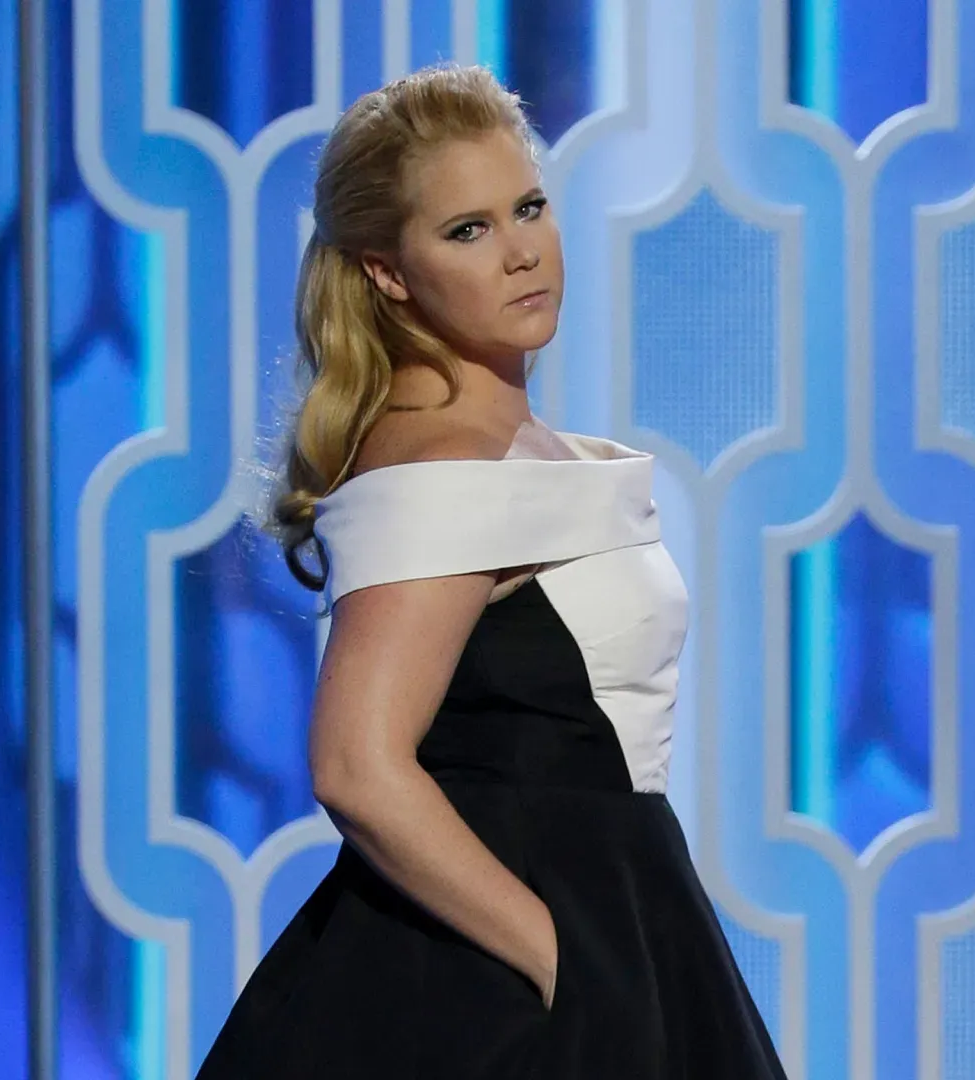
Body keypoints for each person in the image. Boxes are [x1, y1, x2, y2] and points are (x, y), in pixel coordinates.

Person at [196, 65, 786, 1079]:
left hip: (627, 921)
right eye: (466, 230)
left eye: (528, 208)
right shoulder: (442, 470)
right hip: (501, 987)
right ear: (388, 272)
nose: (521, 253)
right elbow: (357, 766)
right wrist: (559, 959)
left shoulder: (520, 454)